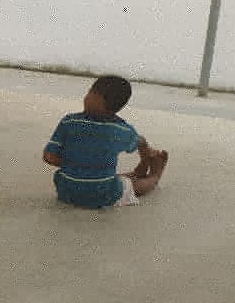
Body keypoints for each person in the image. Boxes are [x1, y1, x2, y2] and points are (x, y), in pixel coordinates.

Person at [42, 75, 169, 209]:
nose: (85, 96)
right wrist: (145, 155)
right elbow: (140, 141)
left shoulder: (69, 121)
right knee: (129, 185)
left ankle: (140, 172)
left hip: (66, 192)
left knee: (94, 174)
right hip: (104, 195)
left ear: (96, 97)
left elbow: (49, 157)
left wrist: (78, 163)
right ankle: (154, 177)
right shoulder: (120, 129)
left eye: (90, 92)